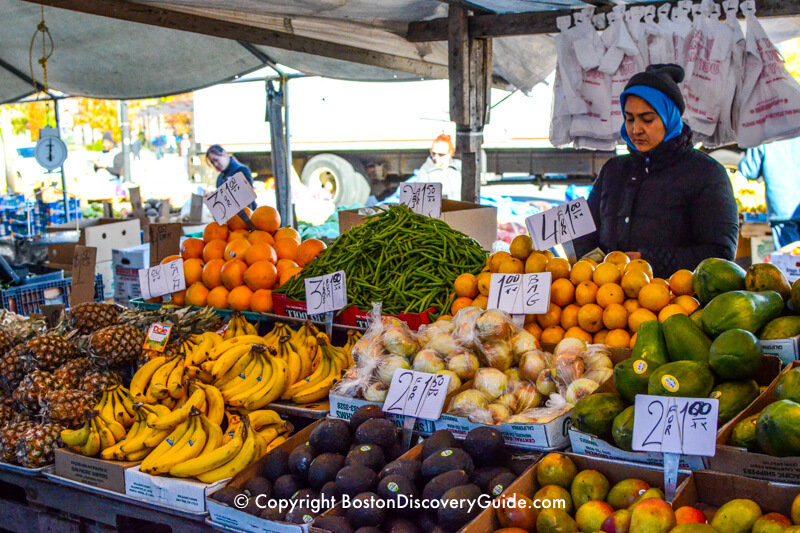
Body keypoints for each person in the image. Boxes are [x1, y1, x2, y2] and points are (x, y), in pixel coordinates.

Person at [573, 64, 739, 278]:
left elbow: (720, 253)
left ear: (669, 116)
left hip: (677, 305)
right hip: (608, 302)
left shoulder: (706, 173)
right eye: (629, 118)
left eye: (647, 119)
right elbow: (587, 231)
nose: (636, 129)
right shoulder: (613, 170)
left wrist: (647, 260)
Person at [738, 137, 800, 249]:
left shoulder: (764, 135)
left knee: (789, 258)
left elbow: (749, 170)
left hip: (782, 206)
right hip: (791, 206)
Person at [206, 144, 257, 209]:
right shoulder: (220, 178)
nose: (215, 164)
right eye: (212, 163)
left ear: (224, 153)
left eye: (216, 160)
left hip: (247, 215)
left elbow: (247, 196)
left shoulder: (241, 171)